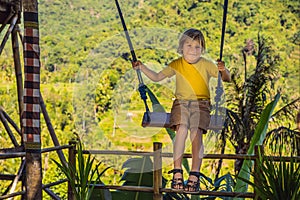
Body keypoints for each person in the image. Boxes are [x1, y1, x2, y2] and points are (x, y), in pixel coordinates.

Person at [132, 28, 231, 192]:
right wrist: (141, 68)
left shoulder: (206, 64)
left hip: (201, 104)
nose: (193, 50)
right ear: (181, 48)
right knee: (182, 129)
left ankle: (195, 173)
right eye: (189, 46)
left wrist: (223, 69)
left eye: (197, 47)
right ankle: (177, 171)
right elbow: (157, 77)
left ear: (202, 50)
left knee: (195, 132)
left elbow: (226, 78)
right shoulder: (177, 64)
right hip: (181, 103)